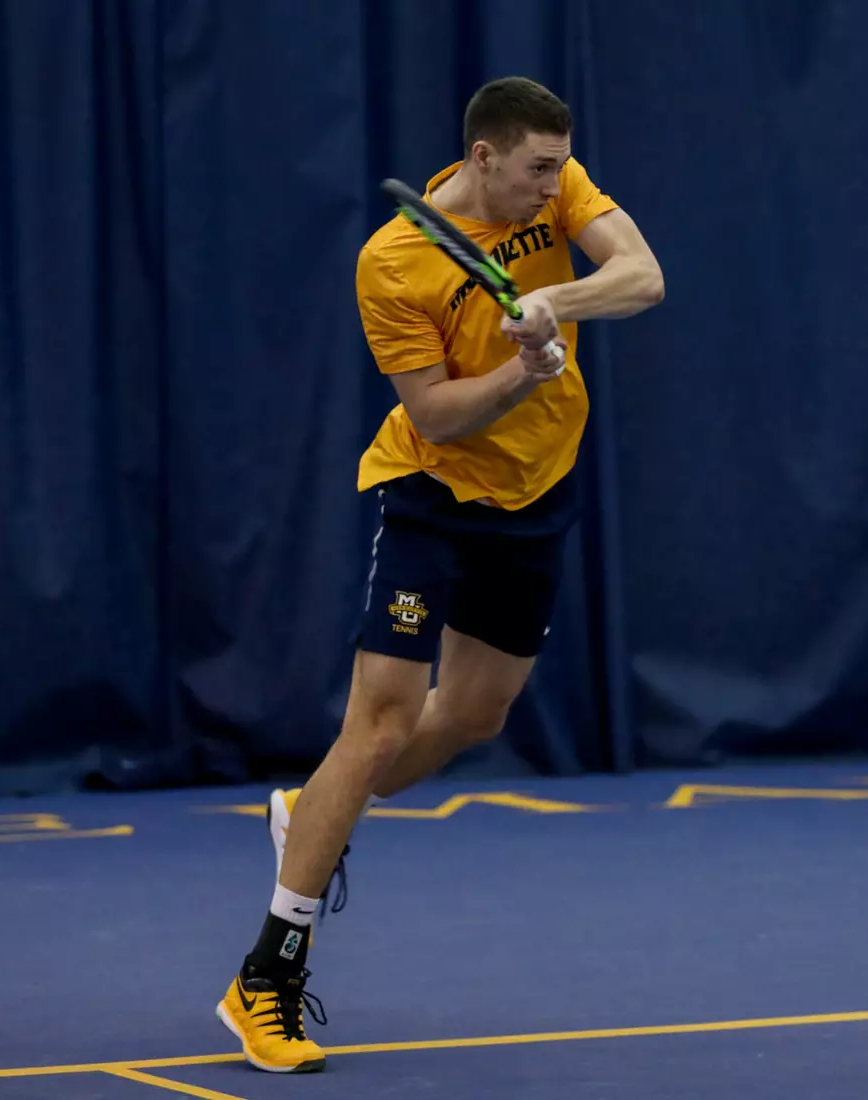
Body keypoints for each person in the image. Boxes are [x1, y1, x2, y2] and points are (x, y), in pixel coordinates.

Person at [216, 75, 665, 1073]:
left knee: (473, 717)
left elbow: (643, 276)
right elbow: (436, 414)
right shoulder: (394, 261)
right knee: (376, 725)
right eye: (536, 169)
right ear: (482, 158)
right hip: (432, 495)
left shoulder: (560, 190)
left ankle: (309, 815)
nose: (553, 188)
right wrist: (522, 370)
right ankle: (266, 978)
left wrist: (555, 300)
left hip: (537, 498)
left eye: (561, 168)